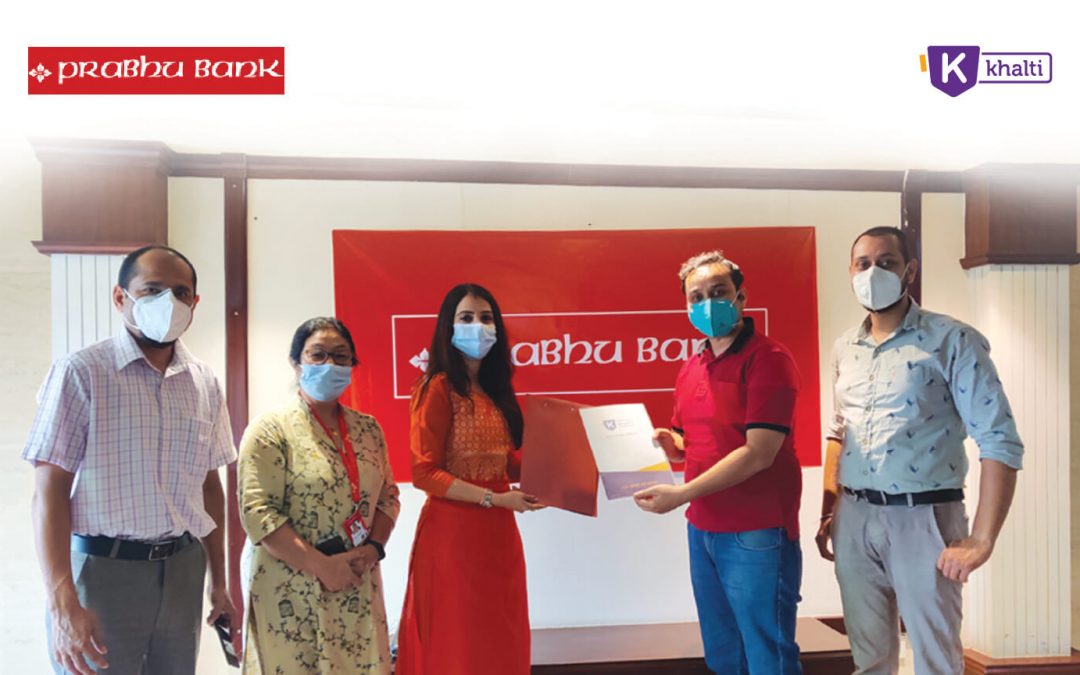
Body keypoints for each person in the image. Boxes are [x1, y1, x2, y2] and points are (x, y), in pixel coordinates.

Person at [815, 226, 1023, 674]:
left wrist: (982, 539)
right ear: (850, 272)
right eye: (863, 264)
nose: (873, 273)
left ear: (909, 270)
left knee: (935, 660)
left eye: (886, 262)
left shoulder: (953, 340)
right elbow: (838, 431)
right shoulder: (845, 348)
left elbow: (999, 438)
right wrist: (827, 511)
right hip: (854, 518)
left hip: (925, 517)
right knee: (869, 661)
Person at [24, 245, 236, 675]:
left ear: (194, 303)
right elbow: (49, 491)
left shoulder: (204, 382)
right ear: (121, 297)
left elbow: (209, 486)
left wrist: (220, 581)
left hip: (182, 569)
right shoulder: (81, 372)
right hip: (103, 572)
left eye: (180, 293)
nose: (168, 303)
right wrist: (62, 601)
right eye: (152, 290)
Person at [634, 251, 803, 675]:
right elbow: (692, 441)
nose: (707, 303)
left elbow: (759, 452)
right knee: (724, 653)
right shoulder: (692, 366)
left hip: (756, 532)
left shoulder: (769, 358)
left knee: (767, 654)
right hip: (703, 529)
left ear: (741, 297)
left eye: (718, 292)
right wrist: (672, 444)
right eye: (696, 297)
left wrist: (682, 494)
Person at [237, 317, 400, 674]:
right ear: (296, 363)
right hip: (291, 589)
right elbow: (258, 512)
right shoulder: (270, 429)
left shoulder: (368, 429)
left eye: (341, 356)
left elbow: (388, 497)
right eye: (318, 354)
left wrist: (373, 549)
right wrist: (322, 567)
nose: (330, 364)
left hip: (357, 583)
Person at [395, 283, 543, 675]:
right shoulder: (437, 388)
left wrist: (558, 468)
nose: (478, 325)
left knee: (501, 636)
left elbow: (507, 465)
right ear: (448, 326)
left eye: (486, 317)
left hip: (499, 536)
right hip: (453, 538)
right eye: (466, 317)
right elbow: (425, 473)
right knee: (458, 644)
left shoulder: (496, 392)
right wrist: (494, 499)